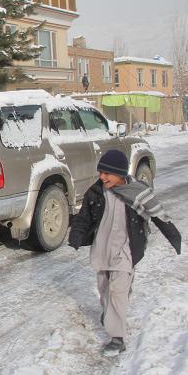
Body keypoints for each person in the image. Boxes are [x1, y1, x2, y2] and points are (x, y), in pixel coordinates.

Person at [68, 149, 181, 355]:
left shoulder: (138, 192)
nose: (102, 177)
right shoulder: (95, 192)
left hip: (125, 250)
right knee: (104, 289)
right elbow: (83, 217)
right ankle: (110, 313)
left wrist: (174, 237)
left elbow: (158, 215)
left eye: (107, 173)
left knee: (116, 292)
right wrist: (76, 235)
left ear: (120, 174)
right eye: (100, 172)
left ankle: (117, 338)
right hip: (102, 249)